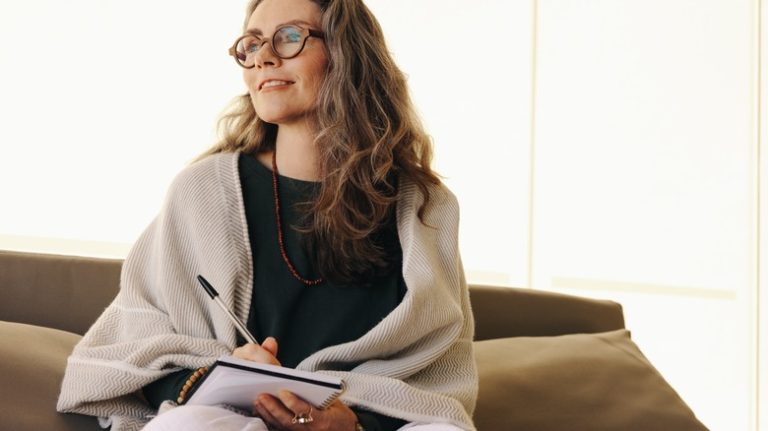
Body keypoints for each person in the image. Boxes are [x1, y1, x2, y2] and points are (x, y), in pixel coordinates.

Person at [56, 0, 477, 430]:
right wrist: (218, 374)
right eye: (251, 44)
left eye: (290, 37)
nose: (263, 57)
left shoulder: (424, 207)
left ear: (348, 53)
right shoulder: (200, 192)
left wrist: (351, 423)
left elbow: (438, 382)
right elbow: (136, 346)